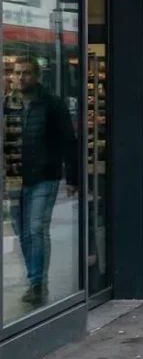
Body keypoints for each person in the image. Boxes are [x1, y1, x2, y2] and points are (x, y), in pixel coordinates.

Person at [3, 56, 77, 307]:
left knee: (36, 228)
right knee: (22, 231)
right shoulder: (7, 105)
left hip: (44, 177)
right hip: (15, 178)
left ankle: (37, 283)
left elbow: (69, 141)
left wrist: (73, 177)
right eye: (16, 73)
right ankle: (34, 278)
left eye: (25, 73)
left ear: (36, 76)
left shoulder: (52, 105)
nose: (20, 78)